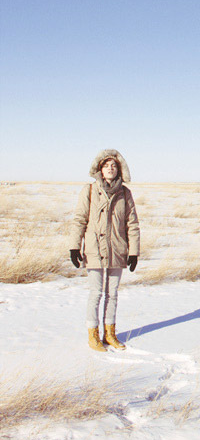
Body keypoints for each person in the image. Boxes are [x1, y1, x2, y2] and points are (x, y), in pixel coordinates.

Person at [69, 149, 140, 352]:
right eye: (106, 166)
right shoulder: (89, 190)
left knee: (112, 294)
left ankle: (110, 334)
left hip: (117, 249)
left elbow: (132, 224)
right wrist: (74, 246)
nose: (110, 169)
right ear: (100, 169)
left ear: (119, 170)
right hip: (94, 249)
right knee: (96, 293)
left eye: (114, 166)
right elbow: (79, 219)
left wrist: (133, 252)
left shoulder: (125, 193)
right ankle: (93, 334)